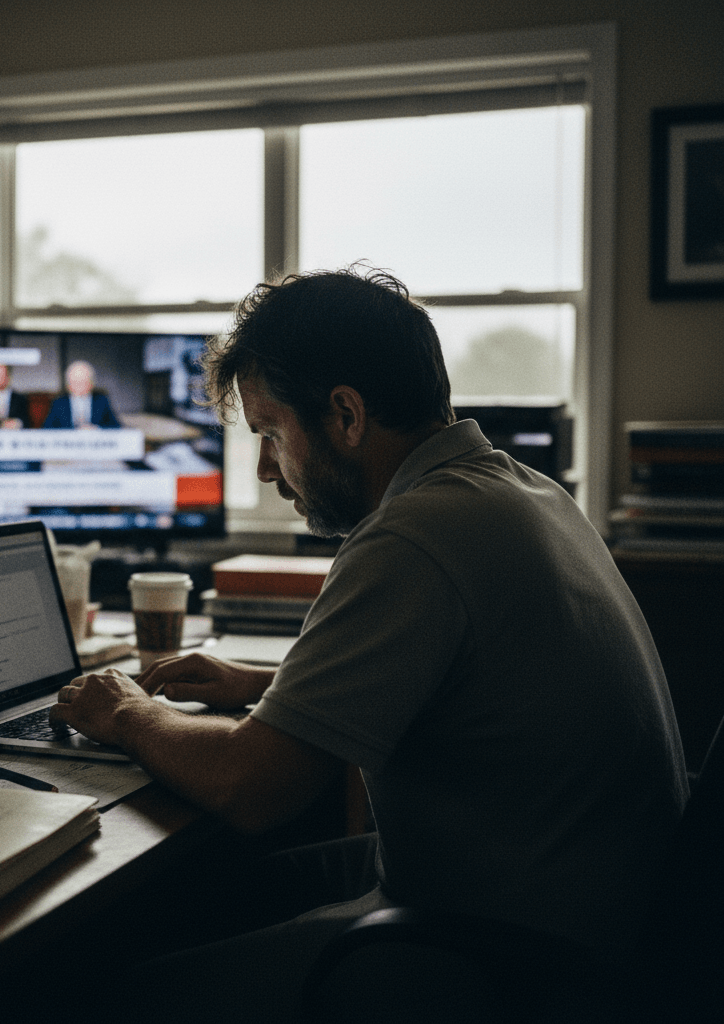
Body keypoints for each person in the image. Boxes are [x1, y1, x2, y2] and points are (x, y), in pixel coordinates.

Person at [48, 266, 688, 1022]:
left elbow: (252, 788)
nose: (264, 470)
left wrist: (124, 709)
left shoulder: (411, 536)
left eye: (270, 434)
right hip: (591, 915)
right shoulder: (522, 491)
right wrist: (265, 682)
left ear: (346, 415)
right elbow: (469, 680)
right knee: (200, 895)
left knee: (114, 993)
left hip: (510, 958)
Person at [42, 359, 120, 429]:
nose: (79, 386)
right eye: (75, 382)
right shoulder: (59, 403)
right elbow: (47, 429)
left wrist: (97, 429)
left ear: (91, 384)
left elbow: (116, 427)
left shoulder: (101, 401)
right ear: (68, 385)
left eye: (83, 382)